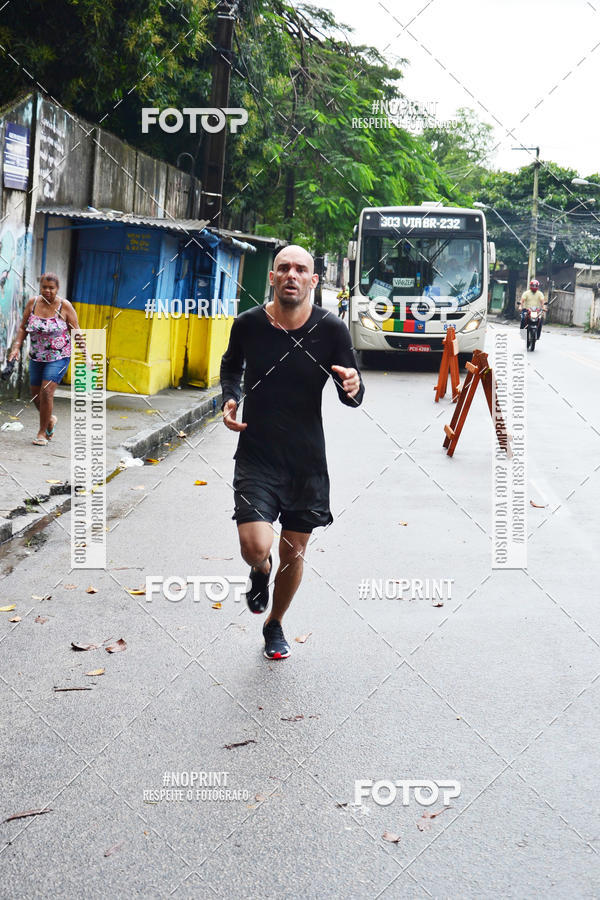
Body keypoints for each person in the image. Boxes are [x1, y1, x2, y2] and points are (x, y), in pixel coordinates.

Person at [220, 245, 364, 660]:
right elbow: (231, 366)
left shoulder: (331, 330)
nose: (292, 275)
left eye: (301, 269)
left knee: (294, 552)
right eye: (284, 268)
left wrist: (353, 386)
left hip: (306, 461)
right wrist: (230, 397)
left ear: (313, 280)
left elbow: (353, 394)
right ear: (272, 277)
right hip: (257, 454)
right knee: (255, 546)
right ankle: (259, 569)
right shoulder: (249, 324)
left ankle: (275, 623)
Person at [8, 272, 82, 445]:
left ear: (57, 289)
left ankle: (42, 433)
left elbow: (76, 331)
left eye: (51, 288)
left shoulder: (65, 306)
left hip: (59, 357)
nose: (47, 291)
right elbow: (23, 327)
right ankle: (49, 420)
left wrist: (86, 356)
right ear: (40, 287)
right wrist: (16, 347)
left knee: (47, 392)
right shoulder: (33, 303)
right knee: (36, 396)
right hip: (36, 357)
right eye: (44, 287)